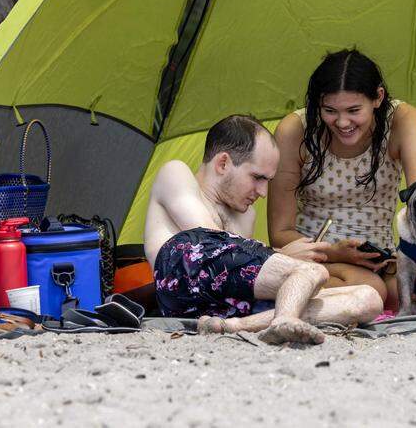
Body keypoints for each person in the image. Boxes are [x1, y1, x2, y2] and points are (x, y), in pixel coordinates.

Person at [144, 113, 383, 344]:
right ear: (223, 163)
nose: (262, 192)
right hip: (181, 281)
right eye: (257, 177)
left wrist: (281, 260)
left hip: (225, 309)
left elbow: (238, 274)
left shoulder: (245, 214)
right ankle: (284, 319)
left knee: (368, 298)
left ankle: (236, 327)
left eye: (267, 181)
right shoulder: (176, 173)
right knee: (312, 272)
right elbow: (207, 240)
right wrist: (282, 257)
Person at [268, 49, 416, 308]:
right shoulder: (295, 130)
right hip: (316, 257)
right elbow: (279, 233)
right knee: (372, 290)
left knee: (413, 294)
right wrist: (333, 252)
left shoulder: (403, 120)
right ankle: (284, 293)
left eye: (354, 110)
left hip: (379, 257)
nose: (342, 122)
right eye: (329, 110)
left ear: (378, 98)